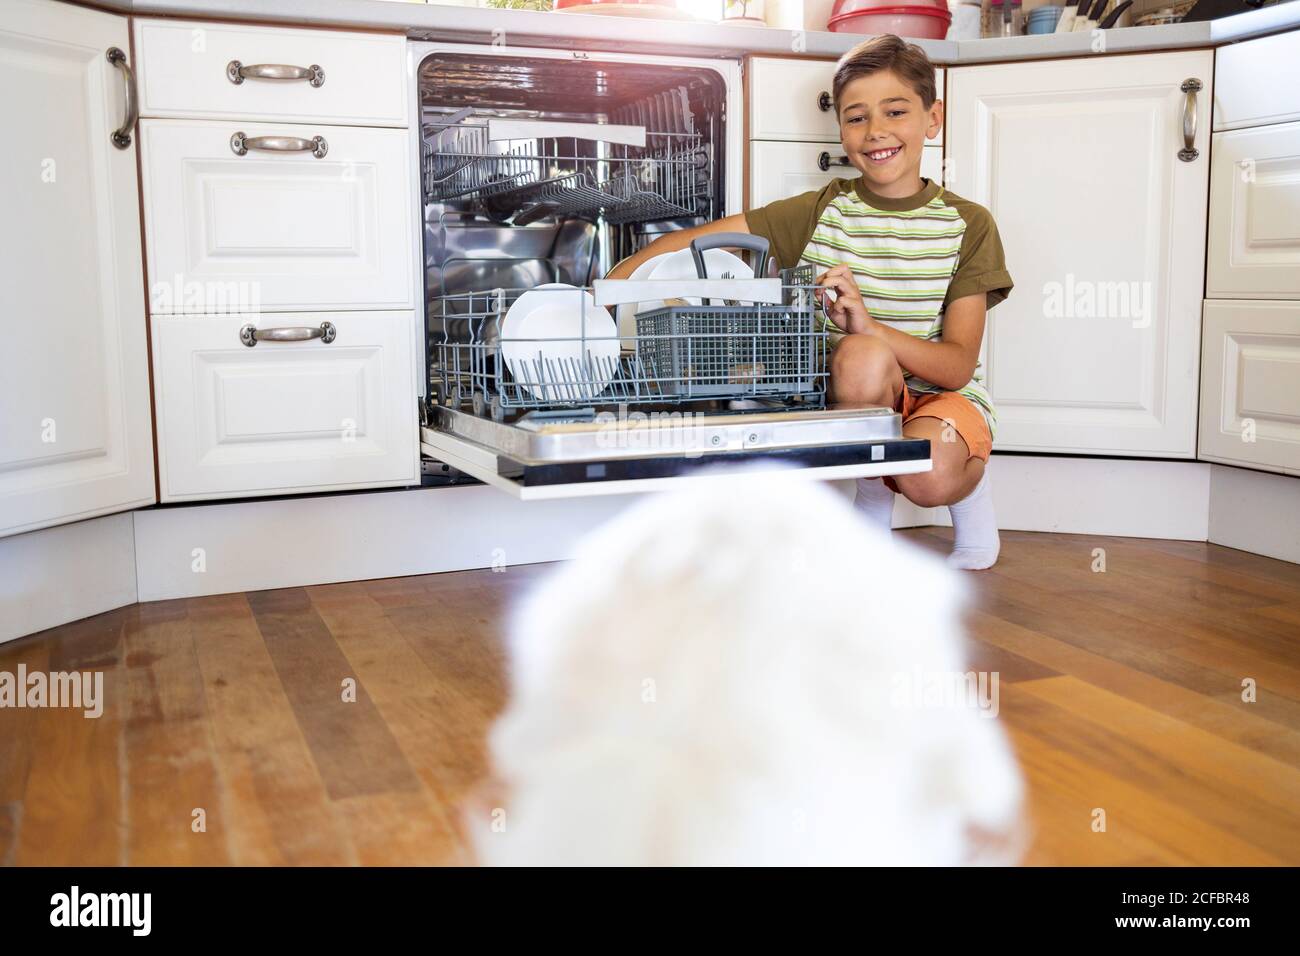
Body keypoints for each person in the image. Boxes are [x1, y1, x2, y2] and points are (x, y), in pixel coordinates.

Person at [607, 34, 1013, 570]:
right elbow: (691, 242)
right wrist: (611, 292)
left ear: (932, 118)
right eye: (856, 118)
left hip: (942, 399)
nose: (876, 133)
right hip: (857, 391)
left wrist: (869, 323)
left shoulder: (968, 223)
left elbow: (958, 365)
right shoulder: (821, 210)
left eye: (896, 111)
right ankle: (871, 493)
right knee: (859, 356)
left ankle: (965, 488)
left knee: (928, 471)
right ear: (841, 128)